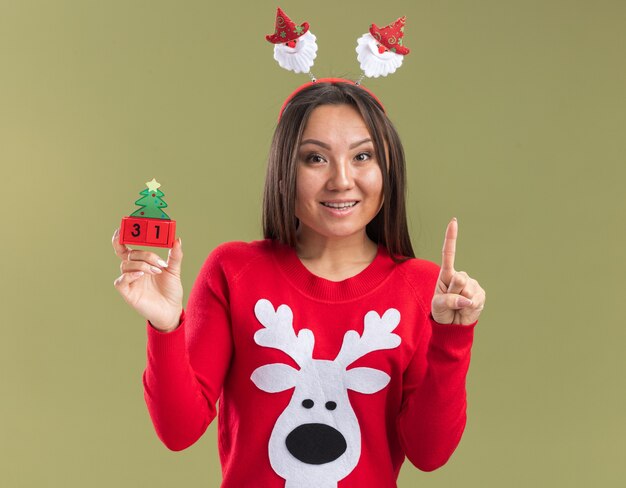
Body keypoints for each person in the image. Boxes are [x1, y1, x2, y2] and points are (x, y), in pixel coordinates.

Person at [112, 80, 486, 488]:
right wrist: (167, 326)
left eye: (363, 156)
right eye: (315, 158)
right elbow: (178, 431)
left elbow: (429, 454)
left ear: (388, 170)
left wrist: (453, 337)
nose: (342, 180)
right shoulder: (234, 272)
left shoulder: (423, 289)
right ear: (284, 169)